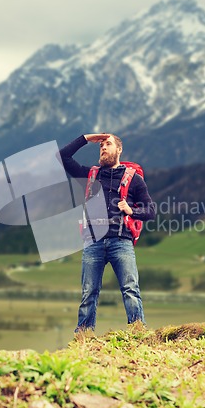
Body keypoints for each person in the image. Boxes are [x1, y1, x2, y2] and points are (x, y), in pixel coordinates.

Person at [59, 133, 156, 333]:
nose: (103, 147)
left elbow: (151, 211)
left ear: (119, 149)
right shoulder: (89, 175)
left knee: (130, 289)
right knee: (89, 292)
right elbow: (63, 157)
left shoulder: (134, 180)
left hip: (121, 241)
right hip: (93, 242)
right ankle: (83, 337)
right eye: (101, 145)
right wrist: (86, 138)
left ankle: (138, 333)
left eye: (108, 144)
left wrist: (132, 211)